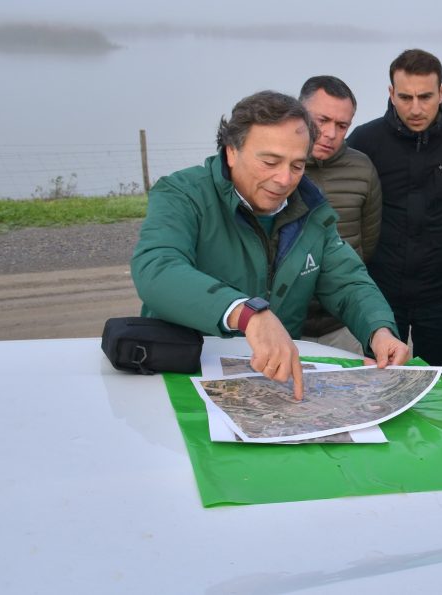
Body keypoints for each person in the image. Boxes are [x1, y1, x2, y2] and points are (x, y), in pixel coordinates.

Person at [132, 91, 409, 399]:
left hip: (269, 383)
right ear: (232, 152)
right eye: (270, 162)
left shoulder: (313, 211)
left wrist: (379, 331)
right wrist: (247, 314)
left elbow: (349, 282)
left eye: (297, 165)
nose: (284, 179)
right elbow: (156, 270)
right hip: (180, 375)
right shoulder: (183, 194)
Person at [348, 49, 442, 373]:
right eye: (405, 97)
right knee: (377, 377)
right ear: (391, 93)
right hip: (381, 289)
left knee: (439, 381)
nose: (415, 108)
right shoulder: (365, 139)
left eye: (425, 96)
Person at [298, 75, 382, 354]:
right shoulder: (276, 167)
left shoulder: (362, 168)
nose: (331, 133)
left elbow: (367, 243)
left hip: (343, 325)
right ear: (300, 112)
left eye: (342, 125)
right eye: (322, 120)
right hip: (285, 323)